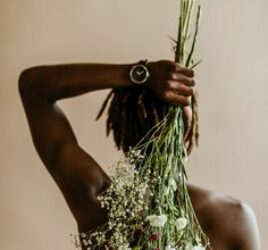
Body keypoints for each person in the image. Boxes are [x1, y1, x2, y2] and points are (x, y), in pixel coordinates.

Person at [19, 60, 260, 250]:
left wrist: (138, 73)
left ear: (121, 127)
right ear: (188, 128)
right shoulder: (234, 218)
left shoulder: (98, 201)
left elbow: (33, 86)